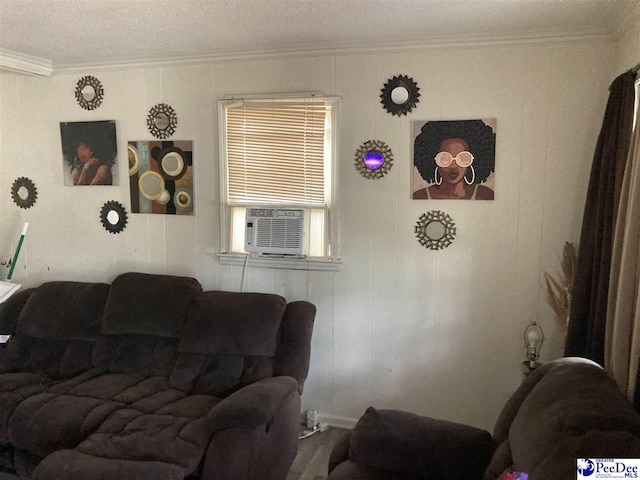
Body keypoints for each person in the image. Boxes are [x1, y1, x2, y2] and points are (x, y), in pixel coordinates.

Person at [413, 119, 495, 200]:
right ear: (433, 161)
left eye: (463, 158)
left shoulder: (485, 195)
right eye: (445, 159)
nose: (453, 166)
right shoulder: (419, 196)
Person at [60, 121, 117, 186]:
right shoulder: (78, 173)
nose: (82, 150)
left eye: (87, 145)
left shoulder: (103, 171)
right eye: (78, 145)